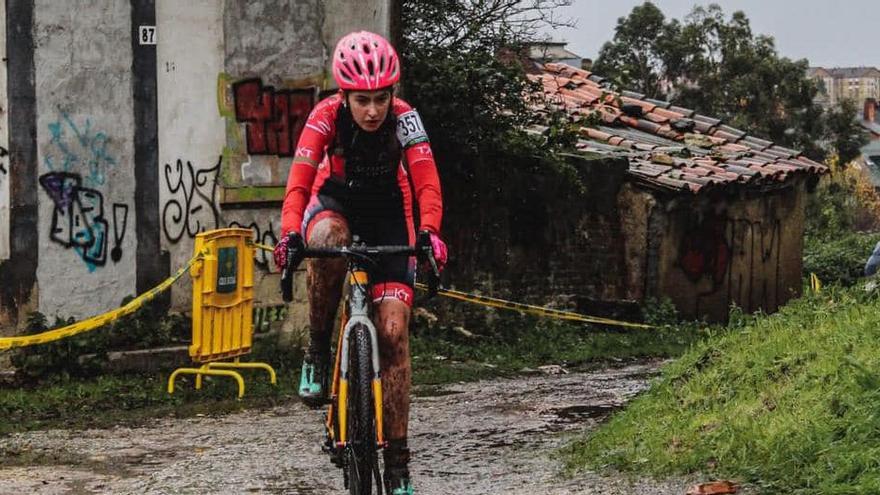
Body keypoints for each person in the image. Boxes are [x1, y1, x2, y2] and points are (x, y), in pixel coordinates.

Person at [274, 30, 447, 495]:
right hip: (336, 207)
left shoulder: (406, 120)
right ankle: (316, 349)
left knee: (392, 335)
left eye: (381, 99)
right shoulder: (324, 116)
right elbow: (299, 182)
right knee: (328, 239)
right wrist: (291, 233)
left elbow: (427, 183)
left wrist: (430, 233)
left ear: (393, 93)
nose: (373, 110)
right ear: (344, 95)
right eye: (362, 100)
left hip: (392, 219)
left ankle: (398, 465)